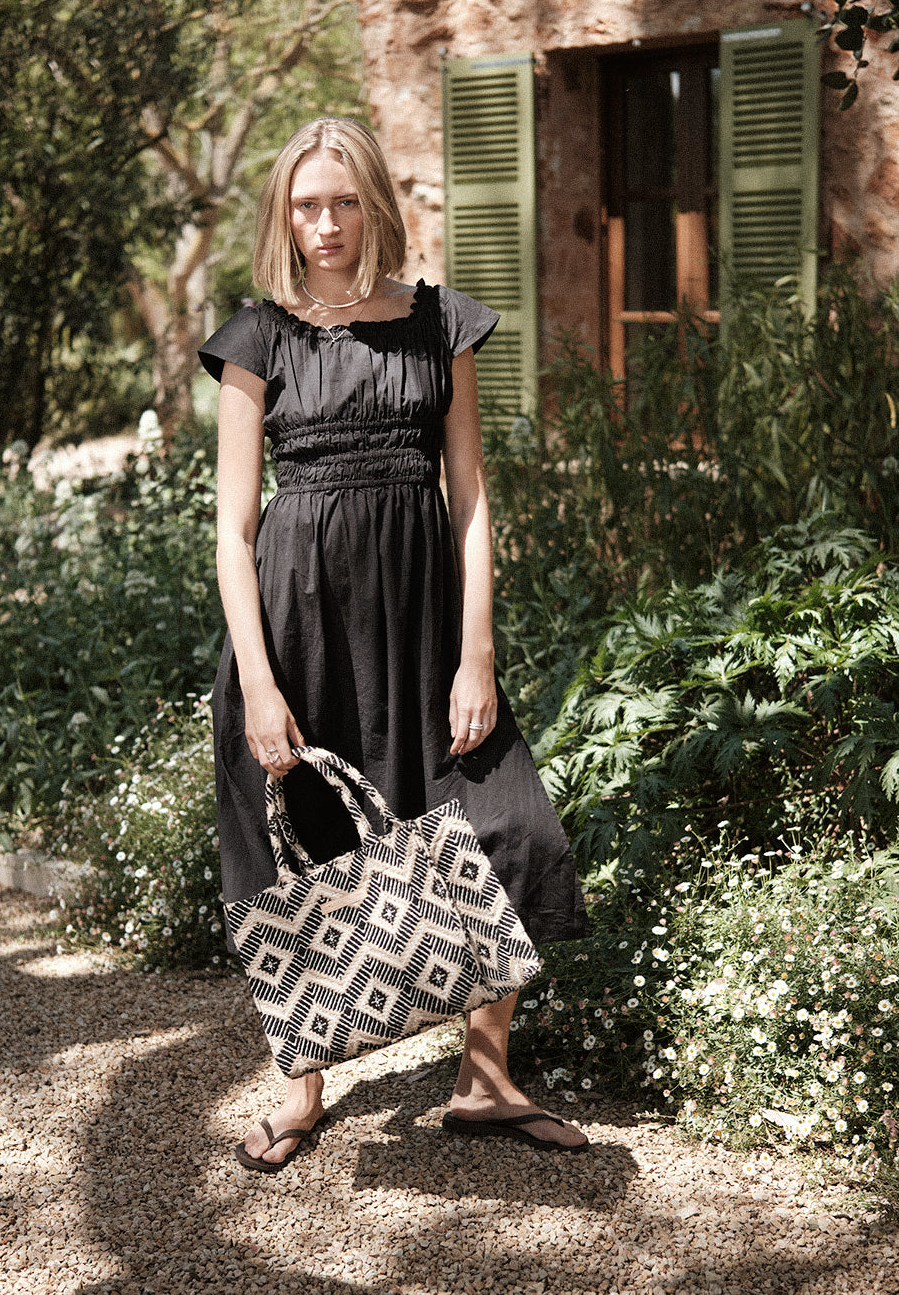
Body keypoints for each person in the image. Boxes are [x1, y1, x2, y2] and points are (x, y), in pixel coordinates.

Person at [199, 117, 591, 1173]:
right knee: (304, 854)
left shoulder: (438, 323)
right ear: (285, 214)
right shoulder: (257, 338)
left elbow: (471, 498)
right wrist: (260, 685)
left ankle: (485, 1076)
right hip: (297, 625)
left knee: (509, 826)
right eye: (306, 205)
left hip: (423, 623)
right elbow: (233, 531)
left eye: (343, 201)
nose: (325, 224)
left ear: (375, 202)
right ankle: (302, 1085)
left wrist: (477, 652)